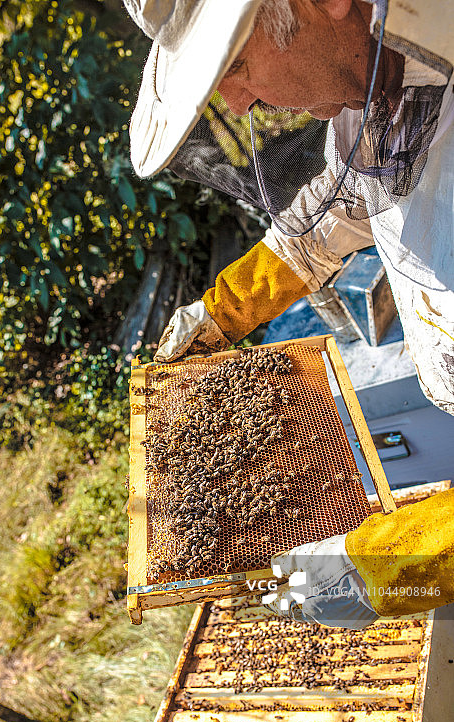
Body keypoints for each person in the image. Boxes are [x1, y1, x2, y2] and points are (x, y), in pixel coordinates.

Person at [122, 0, 454, 628]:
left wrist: (387, 566)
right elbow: (350, 194)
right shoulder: (377, 76)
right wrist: (226, 309)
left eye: (239, 63)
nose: (241, 104)